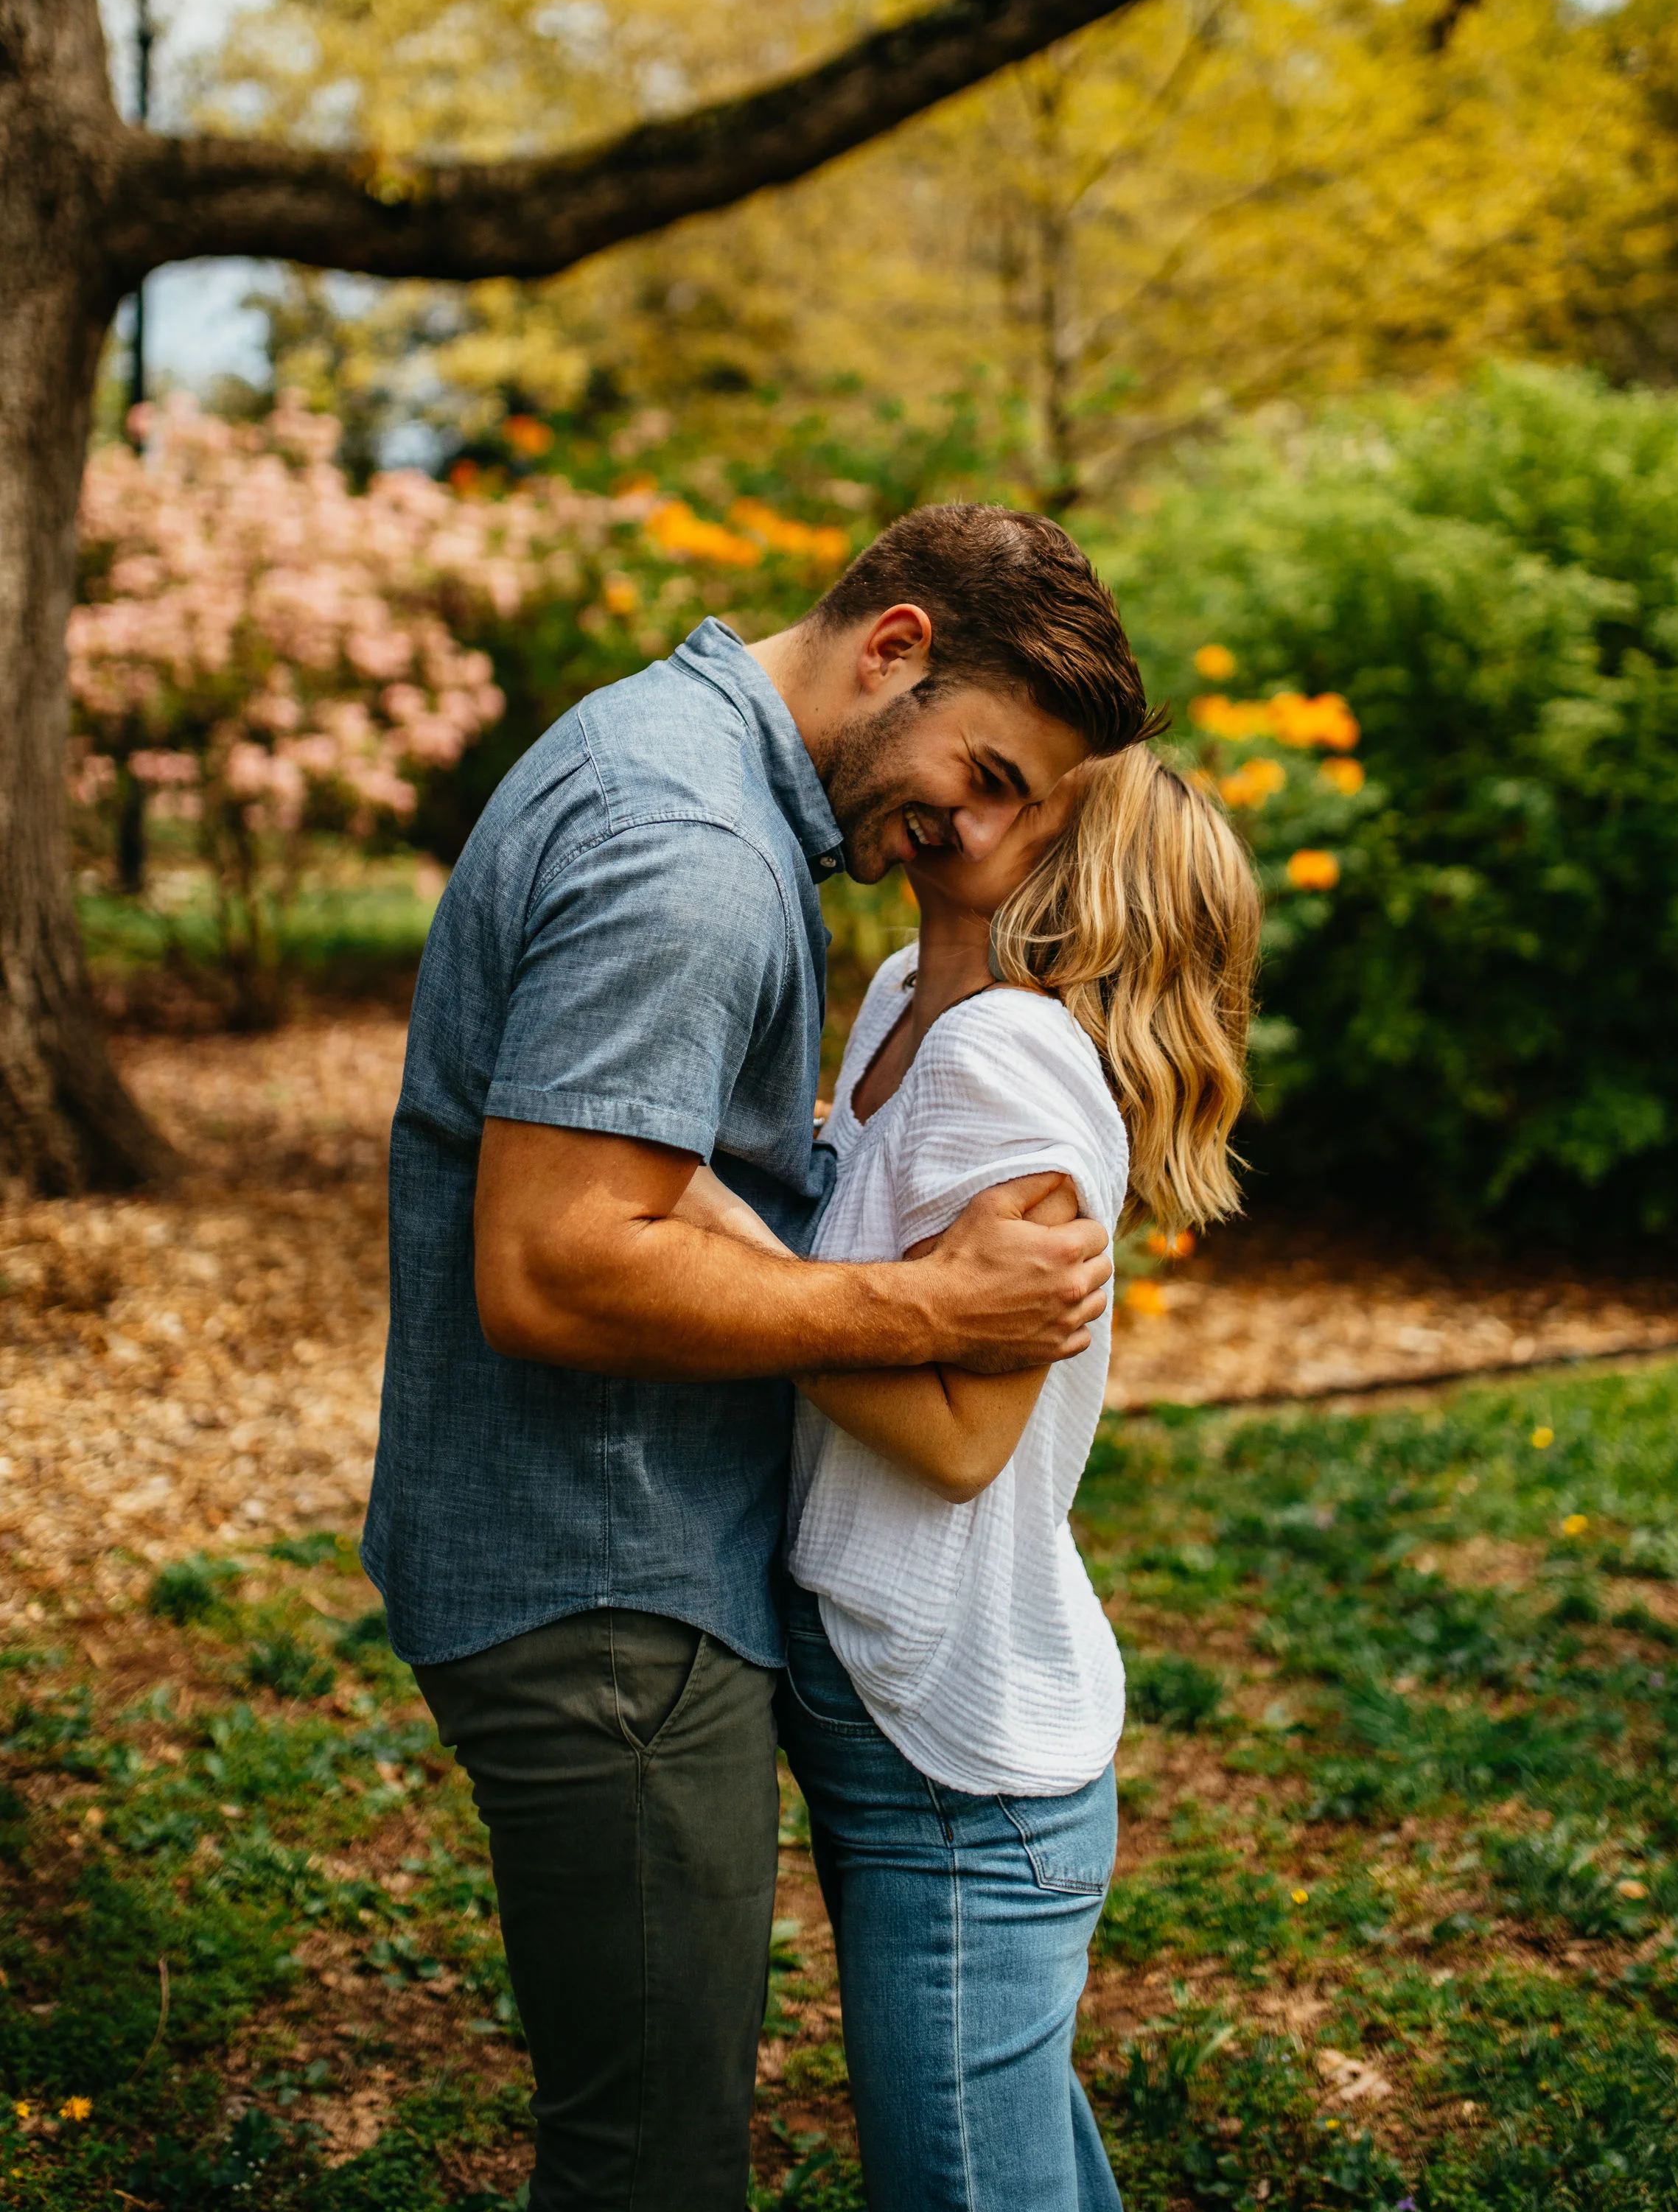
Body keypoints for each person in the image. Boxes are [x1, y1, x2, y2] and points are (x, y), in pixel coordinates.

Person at [360, 503, 1154, 2212]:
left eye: (1022, 808)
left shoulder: (673, 766)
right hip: (604, 1576)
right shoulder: (694, 845)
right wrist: (937, 1308)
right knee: (648, 2165)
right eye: (992, 770)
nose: (977, 827)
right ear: (895, 648)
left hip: (606, 1555)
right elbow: (560, 1265)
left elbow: (658, 1177)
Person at [690, 743, 1259, 2210]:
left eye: (1023, 791)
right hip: (917, 1725)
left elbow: (960, 1439)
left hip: (956, 1774)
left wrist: (717, 1268)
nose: (963, 791)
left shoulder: (1001, 1055)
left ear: (1077, 868)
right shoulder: (898, 1004)